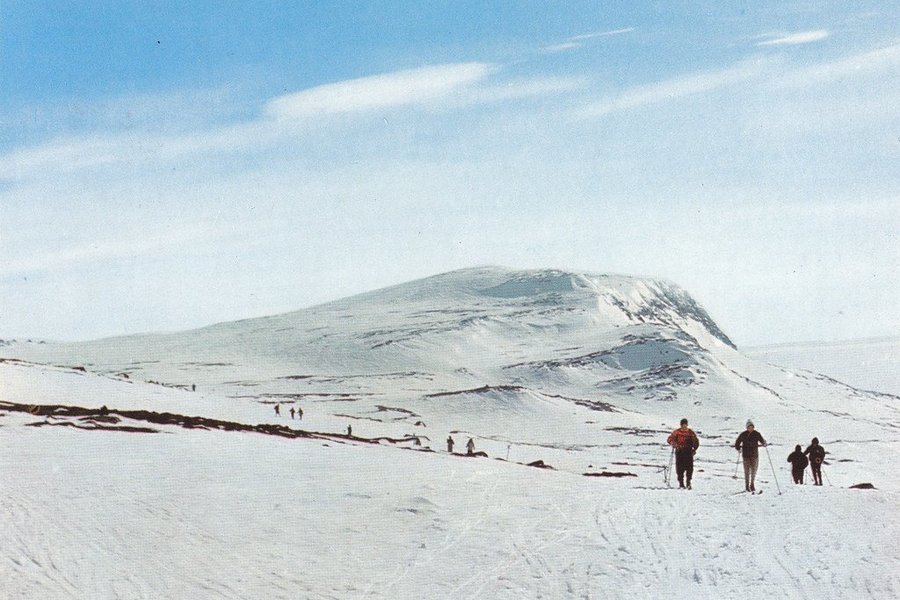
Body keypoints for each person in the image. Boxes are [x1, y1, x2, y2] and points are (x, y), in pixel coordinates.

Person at [666, 418, 700, 489]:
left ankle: (688, 482)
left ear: (687, 425)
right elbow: (669, 439)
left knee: (689, 469)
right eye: (683, 425)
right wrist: (674, 444)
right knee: (680, 469)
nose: (684, 426)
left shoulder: (690, 432)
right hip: (680, 452)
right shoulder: (676, 432)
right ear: (681, 425)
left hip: (688, 452)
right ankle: (681, 483)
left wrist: (694, 448)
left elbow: (695, 441)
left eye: (685, 425)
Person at [734, 420, 766, 492]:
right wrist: (738, 448)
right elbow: (737, 443)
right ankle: (747, 486)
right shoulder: (743, 434)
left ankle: (752, 484)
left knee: (754, 471)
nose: (750, 428)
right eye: (749, 427)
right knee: (747, 471)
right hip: (746, 456)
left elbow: (762, 441)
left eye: (752, 427)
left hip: (755, 455)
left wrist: (764, 443)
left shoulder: (757, 434)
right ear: (747, 428)